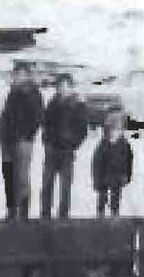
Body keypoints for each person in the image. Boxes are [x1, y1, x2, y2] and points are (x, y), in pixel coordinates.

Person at [0, 60, 44, 218]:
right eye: (16, 73)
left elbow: (37, 118)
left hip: (23, 142)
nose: (17, 76)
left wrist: (26, 135)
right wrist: (3, 135)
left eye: (21, 74)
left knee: (22, 177)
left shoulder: (32, 93)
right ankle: (12, 210)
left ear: (26, 75)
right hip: (8, 141)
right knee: (10, 176)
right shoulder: (12, 92)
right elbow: (6, 117)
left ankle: (23, 212)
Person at [40, 73, 88, 219]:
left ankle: (63, 215)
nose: (62, 89)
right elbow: (45, 123)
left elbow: (82, 128)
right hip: (51, 149)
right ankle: (45, 214)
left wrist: (73, 144)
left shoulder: (78, 105)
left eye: (65, 86)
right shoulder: (52, 103)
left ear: (70, 87)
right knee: (47, 183)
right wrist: (46, 141)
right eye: (59, 86)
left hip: (67, 150)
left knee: (65, 185)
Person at [93, 110, 133, 216]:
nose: (116, 131)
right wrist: (97, 179)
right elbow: (97, 164)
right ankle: (101, 214)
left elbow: (129, 161)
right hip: (104, 175)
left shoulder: (124, 145)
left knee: (115, 196)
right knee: (103, 196)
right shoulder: (103, 145)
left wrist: (127, 175)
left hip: (116, 175)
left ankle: (113, 214)